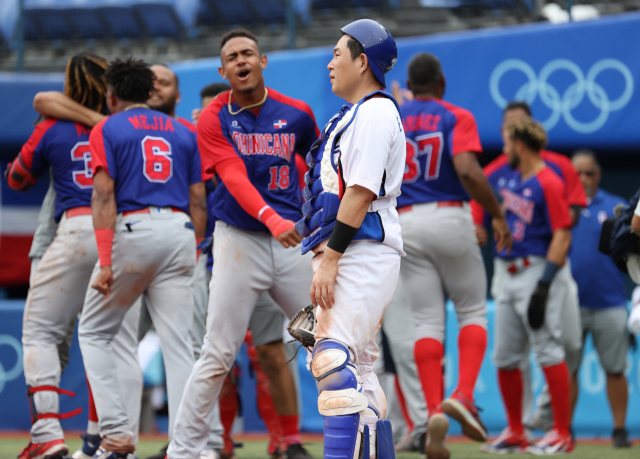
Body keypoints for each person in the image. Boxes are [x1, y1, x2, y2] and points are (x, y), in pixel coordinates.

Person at [167, 29, 318, 459]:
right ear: (223, 70)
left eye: (247, 52)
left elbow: (320, 166)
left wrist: (319, 225)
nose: (240, 60)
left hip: (290, 242)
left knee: (329, 340)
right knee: (217, 353)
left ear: (263, 60)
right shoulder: (214, 116)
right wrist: (272, 218)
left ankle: (357, 437)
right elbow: (232, 175)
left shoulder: (297, 113)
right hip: (239, 241)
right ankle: (184, 450)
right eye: (231, 56)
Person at [4, 52, 139, 459]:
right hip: (130, 234)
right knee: (111, 342)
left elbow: (18, 177)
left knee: (41, 333)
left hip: (77, 228)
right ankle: (105, 439)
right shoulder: (129, 126)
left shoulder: (54, 125)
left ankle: (47, 433)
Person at [77, 57, 206, 458]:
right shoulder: (184, 130)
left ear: (111, 95)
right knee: (180, 347)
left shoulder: (107, 126)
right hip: (181, 230)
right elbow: (199, 199)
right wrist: (193, 249)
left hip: (134, 230)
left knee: (94, 331)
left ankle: (115, 432)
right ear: (150, 92)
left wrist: (105, 261)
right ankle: (188, 448)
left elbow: (102, 195)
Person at [388, 53, 512, 459]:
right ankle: (463, 394)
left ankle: (433, 411)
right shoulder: (455, 113)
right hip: (449, 215)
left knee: (426, 322)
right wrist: (496, 214)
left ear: (409, 82)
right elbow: (470, 170)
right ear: (441, 82)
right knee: (473, 310)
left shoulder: (392, 116)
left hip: (405, 221)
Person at [295, 18, 405, 459]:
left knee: (332, 363)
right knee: (357, 368)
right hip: (355, 246)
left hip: (362, 246)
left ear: (363, 61)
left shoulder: (377, 110)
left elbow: (359, 192)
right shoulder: (356, 112)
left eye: (338, 54)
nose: (330, 63)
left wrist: (331, 258)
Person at [473, 101, 586, 434]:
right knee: (506, 356)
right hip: (507, 269)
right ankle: (516, 431)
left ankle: (561, 432)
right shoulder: (499, 173)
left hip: (542, 268)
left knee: (556, 347)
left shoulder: (551, 176)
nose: (504, 144)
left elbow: (565, 228)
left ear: (520, 141)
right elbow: (481, 215)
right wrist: (489, 223)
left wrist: (545, 282)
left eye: (509, 138)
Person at [570, 150, 632, 448]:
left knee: (616, 369)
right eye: (577, 173)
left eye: (589, 173)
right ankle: (563, 429)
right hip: (569, 303)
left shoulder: (617, 206)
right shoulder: (561, 205)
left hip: (610, 302)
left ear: (599, 174)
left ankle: (619, 430)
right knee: (567, 370)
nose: (583, 179)